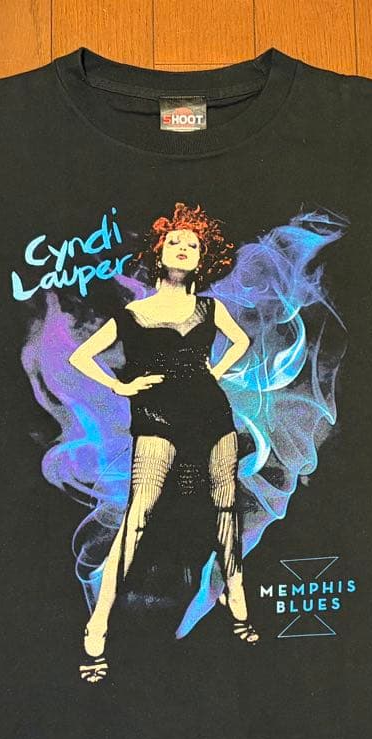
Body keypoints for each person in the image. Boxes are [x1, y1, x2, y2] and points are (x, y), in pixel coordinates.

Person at [68, 202, 260, 684]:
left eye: (192, 245)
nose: (183, 248)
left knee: (225, 506)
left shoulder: (211, 309)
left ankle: (236, 596)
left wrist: (217, 371)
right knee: (139, 516)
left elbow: (240, 343)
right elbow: (81, 356)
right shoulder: (132, 314)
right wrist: (121, 386)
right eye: (174, 241)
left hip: (211, 413)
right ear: (159, 252)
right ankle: (97, 624)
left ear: (202, 259)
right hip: (156, 415)